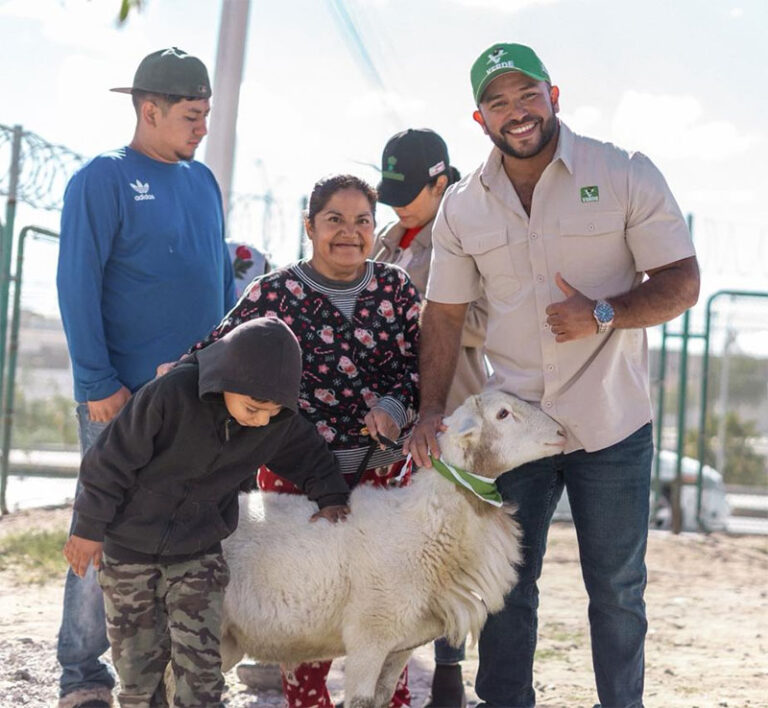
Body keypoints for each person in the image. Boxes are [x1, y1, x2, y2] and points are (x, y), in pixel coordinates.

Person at [406, 42, 700, 708]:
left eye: (527, 95)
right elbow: (444, 317)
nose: (516, 112)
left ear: (554, 96)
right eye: (498, 101)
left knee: (618, 587)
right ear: (479, 117)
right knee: (507, 585)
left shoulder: (622, 172)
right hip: (513, 428)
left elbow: (682, 282)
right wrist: (429, 411)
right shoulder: (462, 208)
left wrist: (602, 313)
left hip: (612, 419)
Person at [187, 174, 420, 708]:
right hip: (296, 478)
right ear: (309, 226)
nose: (349, 232)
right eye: (334, 219)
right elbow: (215, 355)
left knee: (387, 614)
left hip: (382, 479)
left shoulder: (395, 289)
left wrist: (393, 405)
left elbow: (417, 368)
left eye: (362, 220)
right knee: (306, 612)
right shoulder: (273, 293)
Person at [56, 47, 236, 708]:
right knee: (101, 531)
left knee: (188, 533)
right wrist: (98, 383)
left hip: (196, 399)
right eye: (192, 114)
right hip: (121, 399)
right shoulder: (100, 180)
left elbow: (219, 286)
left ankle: (159, 671)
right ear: (149, 109)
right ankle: (80, 672)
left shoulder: (203, 183)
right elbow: (76, 285)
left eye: (208, 113)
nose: (203, 127)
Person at [63, 318, 351, 707]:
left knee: (201, 670)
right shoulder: (170, 394)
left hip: (198, 553)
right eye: (253, 408)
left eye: (272, 410)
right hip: (129, 551)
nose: (262, 419)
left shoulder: (275, 420)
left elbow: (310, 457)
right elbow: (109, 460)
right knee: (138, 672)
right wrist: (88, 528)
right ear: (226, 380)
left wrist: (332, 498)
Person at [373, 128, 487, 708]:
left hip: (452, 412)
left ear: (442, 183)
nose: (395, 200)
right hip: (385, 420)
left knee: (447, 548)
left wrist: (423, 317)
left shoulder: (474, 236)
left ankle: (449, 672)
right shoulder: (389, 240)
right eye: (388, 187)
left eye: (409, 189)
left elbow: (491, 318)